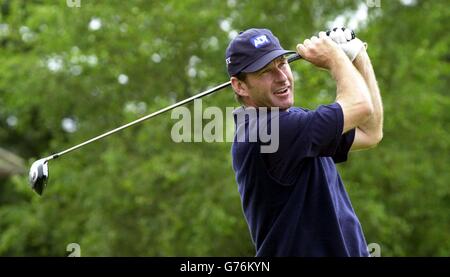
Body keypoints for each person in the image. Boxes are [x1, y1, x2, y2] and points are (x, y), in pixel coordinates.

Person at [226, 28, 383, 257]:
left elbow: (370, 131)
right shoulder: (267, 131)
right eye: (265, 72)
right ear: (239, 85)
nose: (281, 76)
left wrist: (358, 55)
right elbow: (360, 107)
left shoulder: (292, 123)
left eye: (282, 63)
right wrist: (336, 58)